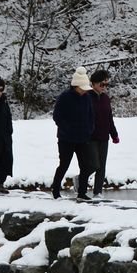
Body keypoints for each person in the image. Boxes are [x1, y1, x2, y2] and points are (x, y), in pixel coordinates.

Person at [51, 66, 96, 201]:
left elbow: (91, 116)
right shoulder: (64, 97)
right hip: (66, 139)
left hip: (83, 138)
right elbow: (57, 117)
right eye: (83, 88)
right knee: (64, 164)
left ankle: (82, 192)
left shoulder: (87, 97)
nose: (84, 91)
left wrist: (89, 130)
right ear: (76, 86)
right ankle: (55, 189)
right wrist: (67, 129)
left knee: (85, 165)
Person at [88, 70, 119, 198]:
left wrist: (114, 134)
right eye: (102, 84)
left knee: (102, 166)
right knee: (94, 164)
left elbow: (109, 117)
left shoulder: (106, 98)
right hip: (90, 137)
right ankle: (80, 179)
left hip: (104, 137)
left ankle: (98, 192)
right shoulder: (87, 97)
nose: (104, 87)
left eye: (106, 85)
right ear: (94, 84)